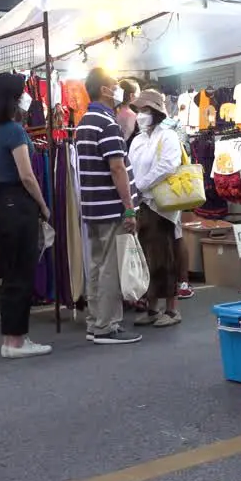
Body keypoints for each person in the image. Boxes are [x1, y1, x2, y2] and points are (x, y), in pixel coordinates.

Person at [0, 73, 52, 359]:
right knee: (21, 273)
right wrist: (43, 205)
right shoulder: (13, 131)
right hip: (18, 203)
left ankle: (12, 338)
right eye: (22, 92)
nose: (26, 96)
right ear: (12, 98)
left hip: (3, 204)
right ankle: (16, 341)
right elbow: (26, 175)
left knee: (13, 272)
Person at [76, 67, 142, 344]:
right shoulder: (107, 123)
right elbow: (117, 168)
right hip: (111, 207)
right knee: (111, 268)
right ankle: (106, 326)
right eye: (114, 84)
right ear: (104, 90)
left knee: (97, 265)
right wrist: (128, 207)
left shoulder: (84, 122)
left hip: (92, 206)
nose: (118, 89)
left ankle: (95, 322)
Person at [127, 90, 185, 328]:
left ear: (157, 113)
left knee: (165, 257)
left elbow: (168, 165)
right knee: (147, 258)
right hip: (142, 205)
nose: (141, 115)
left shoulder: (168, 136)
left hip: (162, 206)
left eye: (146, 111)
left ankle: (172, 309)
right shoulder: (138, 140)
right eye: (139, 111)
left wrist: (141, 185)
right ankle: (152, 308)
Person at [115, 78, 141, 142]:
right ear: (131, 95)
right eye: (138, 93)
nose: (140, 96)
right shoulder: (131, 115)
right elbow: (125, 139)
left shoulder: (112, 111)